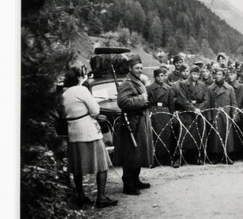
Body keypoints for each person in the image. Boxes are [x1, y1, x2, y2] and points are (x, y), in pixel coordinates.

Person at [62, 67, 118, 208]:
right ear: (79, 78)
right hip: (88, 131)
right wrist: (94, 115)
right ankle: (101, 197)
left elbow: (64, 114)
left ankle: (81, 195)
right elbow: (95, 110)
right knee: (102, 165)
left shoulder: (64, 94)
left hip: (73, 131)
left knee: (77, 166)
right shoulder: (82, 90)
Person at [115, 55, 153, 195]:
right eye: (137, 68)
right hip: (132, 122)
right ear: (130, 68)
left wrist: (145, 101)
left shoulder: (137, 81)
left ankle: (136, 180)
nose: (140, 70)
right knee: (130, 152)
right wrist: (141, 99)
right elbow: (122, 102)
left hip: (140, 120)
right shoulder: (127, 83)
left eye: (141, 68)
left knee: (138, 152)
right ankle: (128, 184)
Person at [172, 65, 209, 167]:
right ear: (190, 73)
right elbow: (182, 99)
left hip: (198, 113)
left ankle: (198, 157)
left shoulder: (202, 85)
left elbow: (206, 99)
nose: (195, 76)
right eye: (193, 73)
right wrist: (193, 109)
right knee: (184, 136)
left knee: (199, 135)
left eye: (197, 74)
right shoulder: (183, 84)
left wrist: (199, 109)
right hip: (187, 112)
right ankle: (179, 158)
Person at [205, 68, 237, 164]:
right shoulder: (210, 88)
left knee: (227, 135)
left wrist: (234, 114)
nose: (218, 76)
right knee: (215, 137)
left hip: (226, 114)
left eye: (220, 74)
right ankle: (216, 156)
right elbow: (208, 103)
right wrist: (210, 116)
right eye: (216, 74)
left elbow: (233, 103)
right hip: (215, 114)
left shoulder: (229, 88)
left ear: (223, 76)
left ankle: (226, 155)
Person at [147, 68, 175, 166]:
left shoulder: (168, 88)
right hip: (154, 113)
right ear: (154, 77)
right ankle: (155, 159)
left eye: (162, 75)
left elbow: (171, 104)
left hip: (165, 113)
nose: (160, 78)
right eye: (158, 76)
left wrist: (172, 114)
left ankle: (166, 158)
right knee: (154, 136)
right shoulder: (149, 88)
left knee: (166, 135)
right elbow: (147, 103)